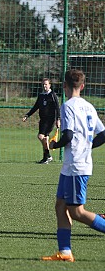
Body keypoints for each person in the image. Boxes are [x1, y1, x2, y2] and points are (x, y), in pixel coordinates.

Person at [41, 69, 105, 262]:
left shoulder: (68, 106)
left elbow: (67, 135)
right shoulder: (89, 106)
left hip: (77, 165)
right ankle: (65, 252)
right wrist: (89, 145)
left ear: (65, 87)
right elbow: (103, 134)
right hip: (72, 165)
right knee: (60, 206)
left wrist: (53, 145)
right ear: (83, 86)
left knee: (76, 212)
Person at [22, 78, 60, 164]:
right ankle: (46, 157)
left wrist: (58, 119)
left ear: (49, 85)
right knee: (45, 138)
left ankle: (47, 155)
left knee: (41, 136)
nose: (44, 86)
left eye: (46, 84)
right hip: (43, 120)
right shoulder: (41, 95)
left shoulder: (52, 95)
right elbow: (36, 107)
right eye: (43, 84)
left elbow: (57, 108)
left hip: (50, 120)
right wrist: (27, 115)